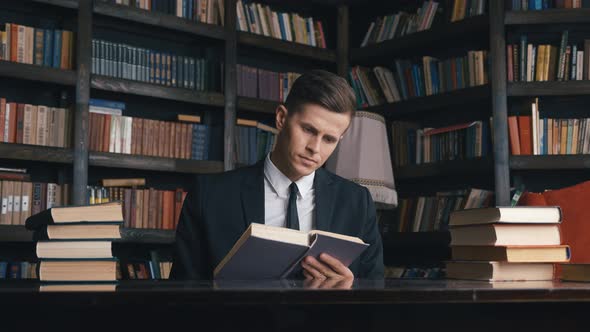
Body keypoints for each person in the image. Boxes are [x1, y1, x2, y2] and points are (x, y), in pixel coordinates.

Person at [170, 69, 384, 282]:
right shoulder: (209, 195)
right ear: (281, 118)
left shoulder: (358, 203)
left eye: (329, 139)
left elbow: (375, 295)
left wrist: (350, 293)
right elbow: (181, 298)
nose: (315, 148)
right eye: (308, 130)